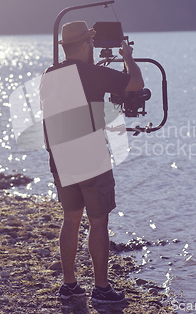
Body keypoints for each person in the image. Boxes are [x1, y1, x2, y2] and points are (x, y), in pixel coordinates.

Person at [39, 21, 144, 303]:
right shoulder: (93, 74)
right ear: (86, 45)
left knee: (70, 219)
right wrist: (128, 58)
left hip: (60, 158)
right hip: (91, 158)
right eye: (91, 43)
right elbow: (136, 82)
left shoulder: (49, 74)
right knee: (98, 222)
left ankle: (70, 285)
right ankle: (101, 289)